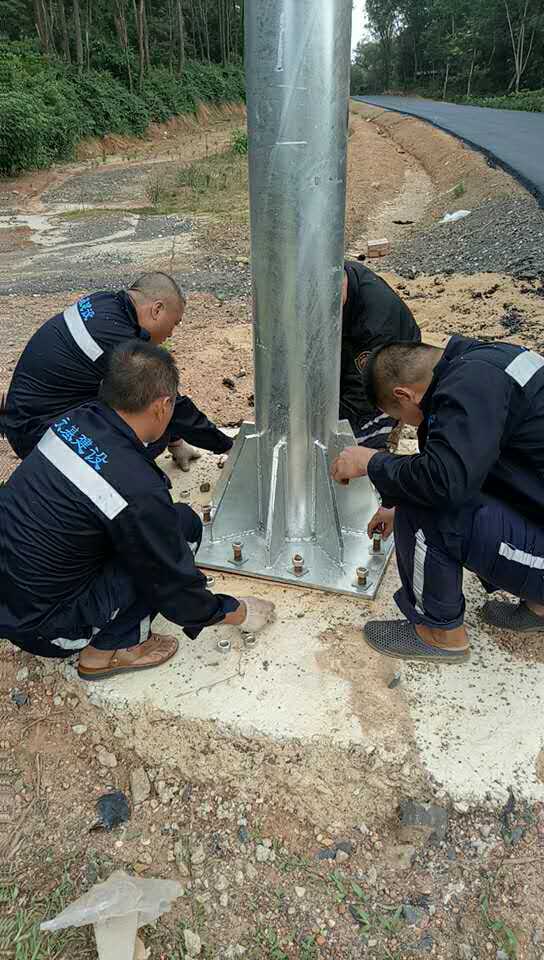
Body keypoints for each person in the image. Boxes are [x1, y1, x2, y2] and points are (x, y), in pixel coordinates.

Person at [0, 341, 273, 681]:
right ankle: (111, 650)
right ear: (162, 406)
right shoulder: (136, 488)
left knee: (158, 529)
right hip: (47, 628)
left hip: (11, 599)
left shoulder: (74, 421)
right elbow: (174, 587)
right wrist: (236, 611)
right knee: (181, 531)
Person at [331, 336, 544, 664]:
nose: (406, 423)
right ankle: (539, 605)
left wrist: (372, 462)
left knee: (428, 505)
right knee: (430, 487)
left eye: (400, 416)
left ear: (404, 395)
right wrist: (393, 501)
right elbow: (470, 461)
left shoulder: (468, 386)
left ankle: (440, 636)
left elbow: (442, 484)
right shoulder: (483, 363)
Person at [1, 271, 232, 470]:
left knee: (138, 403)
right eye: (174, 323)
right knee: (150, 433)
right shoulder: (116, 340)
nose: (171, 333)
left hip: (29, 414)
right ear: (157, 309)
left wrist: (177, 441)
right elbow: (167, 402)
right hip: (37, 434)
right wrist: (227, 445)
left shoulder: (105, 304)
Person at [340, 259, 421, 449]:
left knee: (355, 438)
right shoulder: (337, 273)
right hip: (350, 351)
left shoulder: (377, 327)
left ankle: (385, 441)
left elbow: (361, 397)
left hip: (393, 372)